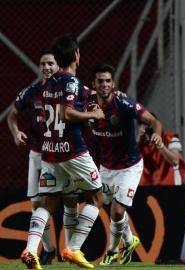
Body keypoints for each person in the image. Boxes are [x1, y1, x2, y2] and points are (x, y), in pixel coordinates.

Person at [20, 34, 105, 269]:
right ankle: (73, 248)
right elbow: (67, 113)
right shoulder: (71, 82)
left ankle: (30, 249)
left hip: (49, 151)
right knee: (97, 198)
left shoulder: (48, 84)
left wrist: (89, 101)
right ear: (76, 54)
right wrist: (93, 114)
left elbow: (78, 96)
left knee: (48, 203)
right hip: (73, 151)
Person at [8, 50, 79, 266]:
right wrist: (16, 132)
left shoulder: (67, 88)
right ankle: (48, 249)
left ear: (58, 66)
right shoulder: (31, 92)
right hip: (39, 154)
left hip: (64, 153)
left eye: (50, 63)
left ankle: (71, 251)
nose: (46, 67)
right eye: (42, 64)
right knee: (37, 203)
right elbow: (12, 115)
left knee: (70, 202)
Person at [87, 64, 163, 265]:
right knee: (108, 208)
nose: (104, 84)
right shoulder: (86, 104)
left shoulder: (124, 103)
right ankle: (130, 241)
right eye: (100, 81)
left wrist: (155, 133)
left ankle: (112, 251)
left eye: (108, 81)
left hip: (130, 166)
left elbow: (154, 121)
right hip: (106, 167)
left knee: (117, 210)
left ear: (113, 83)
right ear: (93, 84)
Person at [138, 116, 185, 185]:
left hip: (170, 186)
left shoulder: (170, 138)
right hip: (148, 188)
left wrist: (160, 145)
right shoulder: (142, 145)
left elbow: (175, 161)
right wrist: (138, 141)